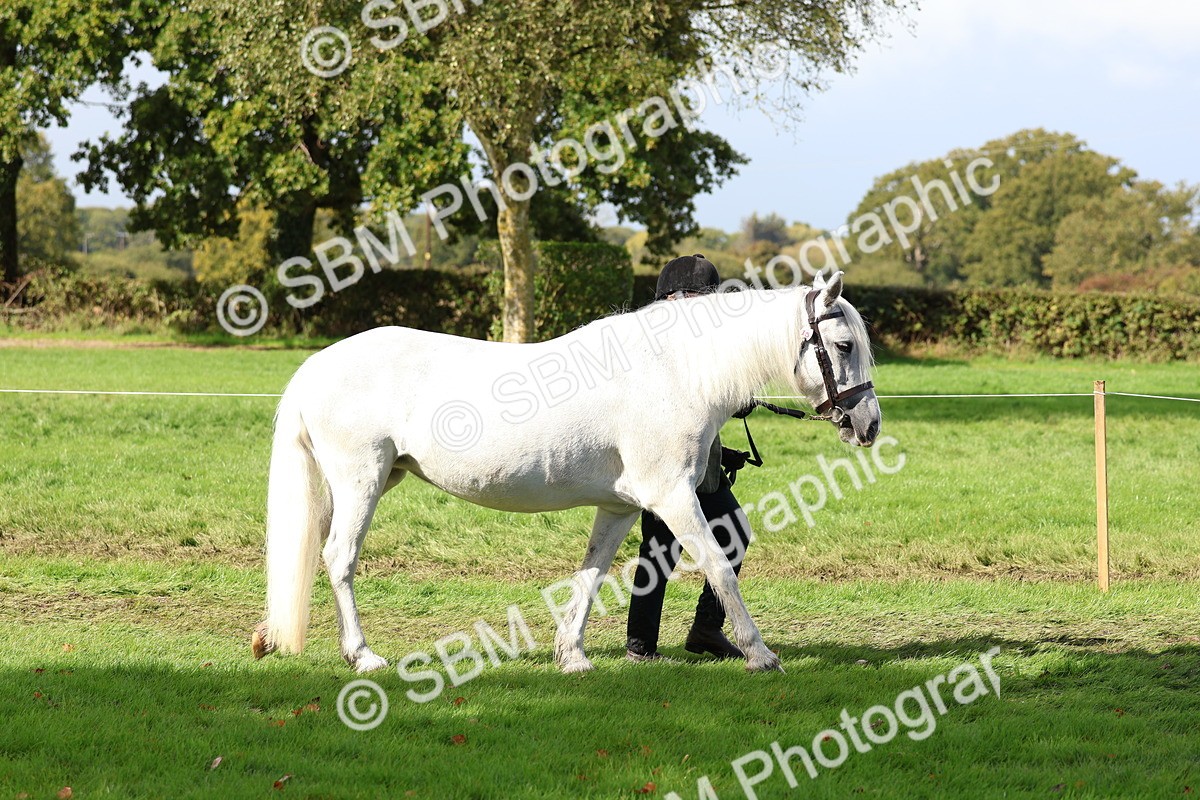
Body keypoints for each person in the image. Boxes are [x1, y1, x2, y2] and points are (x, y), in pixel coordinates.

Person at [625, 254, 756, 662]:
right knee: (660, 551)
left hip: (704, 471)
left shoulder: (699, 346)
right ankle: (641, 646)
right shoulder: (650, 349)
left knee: (734, 533)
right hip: (662, 470)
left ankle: (705, 629)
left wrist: (720, 450)